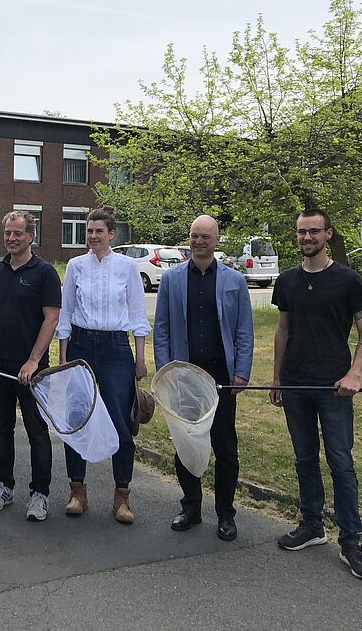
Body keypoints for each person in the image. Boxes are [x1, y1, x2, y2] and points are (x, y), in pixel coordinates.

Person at [270, 208, 362, 580]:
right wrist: (277, 378)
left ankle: (351, 541)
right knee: (304, 459)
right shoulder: (286, 281)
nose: (306, 238)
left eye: (314, 232)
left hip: (334, 389)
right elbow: (282, 331)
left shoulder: (348, 280)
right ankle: (312, 526)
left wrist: (355, 374)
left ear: (328, 234)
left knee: (341, 463)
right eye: (301, 232)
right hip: (296, 385)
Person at [153, 214, 253, 541]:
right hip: (183, 376)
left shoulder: (234, 281)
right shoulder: (171, 279)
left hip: (221, 376)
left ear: (217, 240)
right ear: (189, 237)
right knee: (185, 444)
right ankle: (191, 508)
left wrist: (241, 372)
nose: (199, 241)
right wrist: (166, 371)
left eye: (205, 236)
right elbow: (163, 329)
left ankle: (226, 514)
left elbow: (243, 331)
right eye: (195, 236)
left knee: (225, 447)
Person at [56, 207, 150, 523]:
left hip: (115, 348)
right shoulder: (75, 266)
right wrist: (63, 357)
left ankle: (121, 496)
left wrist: (140, 357)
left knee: (120, 425)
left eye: (99, 231)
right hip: (81, 345)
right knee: (77, 418)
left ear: (112, 234)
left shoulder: (127, 267)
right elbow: (65, 313)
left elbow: (138, 314)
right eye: (90, 231)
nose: (93, 236)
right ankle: (77, 491)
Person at [0, 211, 62, 521]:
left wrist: (33, 360)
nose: (11, 238)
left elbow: (52, 318)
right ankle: (4, 486)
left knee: (37, 431)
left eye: (17, 233)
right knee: (1, 429)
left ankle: (40, 494)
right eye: (7, 233)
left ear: (30, 236)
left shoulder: (44, 272)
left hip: (31, 371)